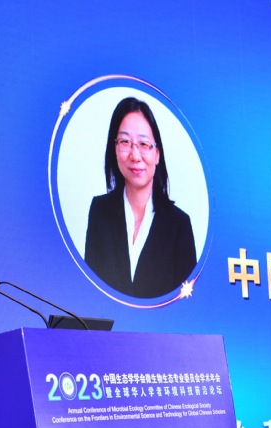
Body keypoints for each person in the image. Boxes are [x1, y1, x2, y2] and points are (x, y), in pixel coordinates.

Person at [84, 97, 197, 299]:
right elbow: (90, 294)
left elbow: (187, 304)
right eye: (125, 142)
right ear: (114, 148)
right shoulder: (99, 211)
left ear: (157, 154)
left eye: (144, 144)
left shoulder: (179, 225)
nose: (135, 156)